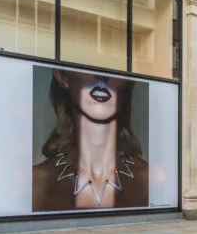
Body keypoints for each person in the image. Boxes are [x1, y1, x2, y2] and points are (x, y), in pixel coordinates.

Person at [32, 70, 148, 211]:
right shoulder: (36, 183)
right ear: (61, 76)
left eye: (114, 65)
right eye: (88, 63)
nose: (102, 75)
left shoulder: (150, 180)